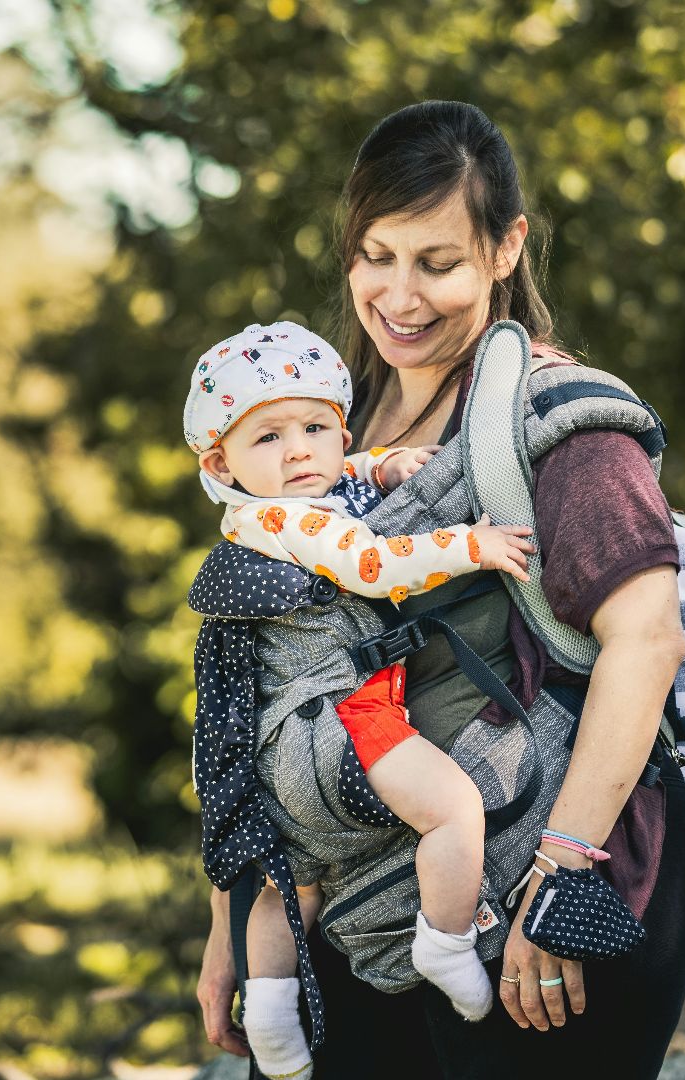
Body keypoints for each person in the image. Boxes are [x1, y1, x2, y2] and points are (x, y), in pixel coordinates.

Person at [193, 100, 685, 1078]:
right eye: (376, 255)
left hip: (536, 898)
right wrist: (237, 913)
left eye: (437, 262)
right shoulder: (328, 426)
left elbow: (650, 640)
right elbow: (261, 670)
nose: (400, 295)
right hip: (355, 910)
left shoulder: (558, 413)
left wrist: (562, 880)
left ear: (506, 249)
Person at [182, 321, 537, 1077]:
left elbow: (338, 480)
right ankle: (444, 944)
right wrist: (469, 546)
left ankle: (274, 1025)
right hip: (344, 723)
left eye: (316, 427)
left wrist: (380, 467)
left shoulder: (266, 509)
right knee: (455, 810)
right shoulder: (289, 518)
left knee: (292, 882)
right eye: (269, 438)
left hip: (282, 750)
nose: (301, 451)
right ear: (221, 461)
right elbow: (373, 563)